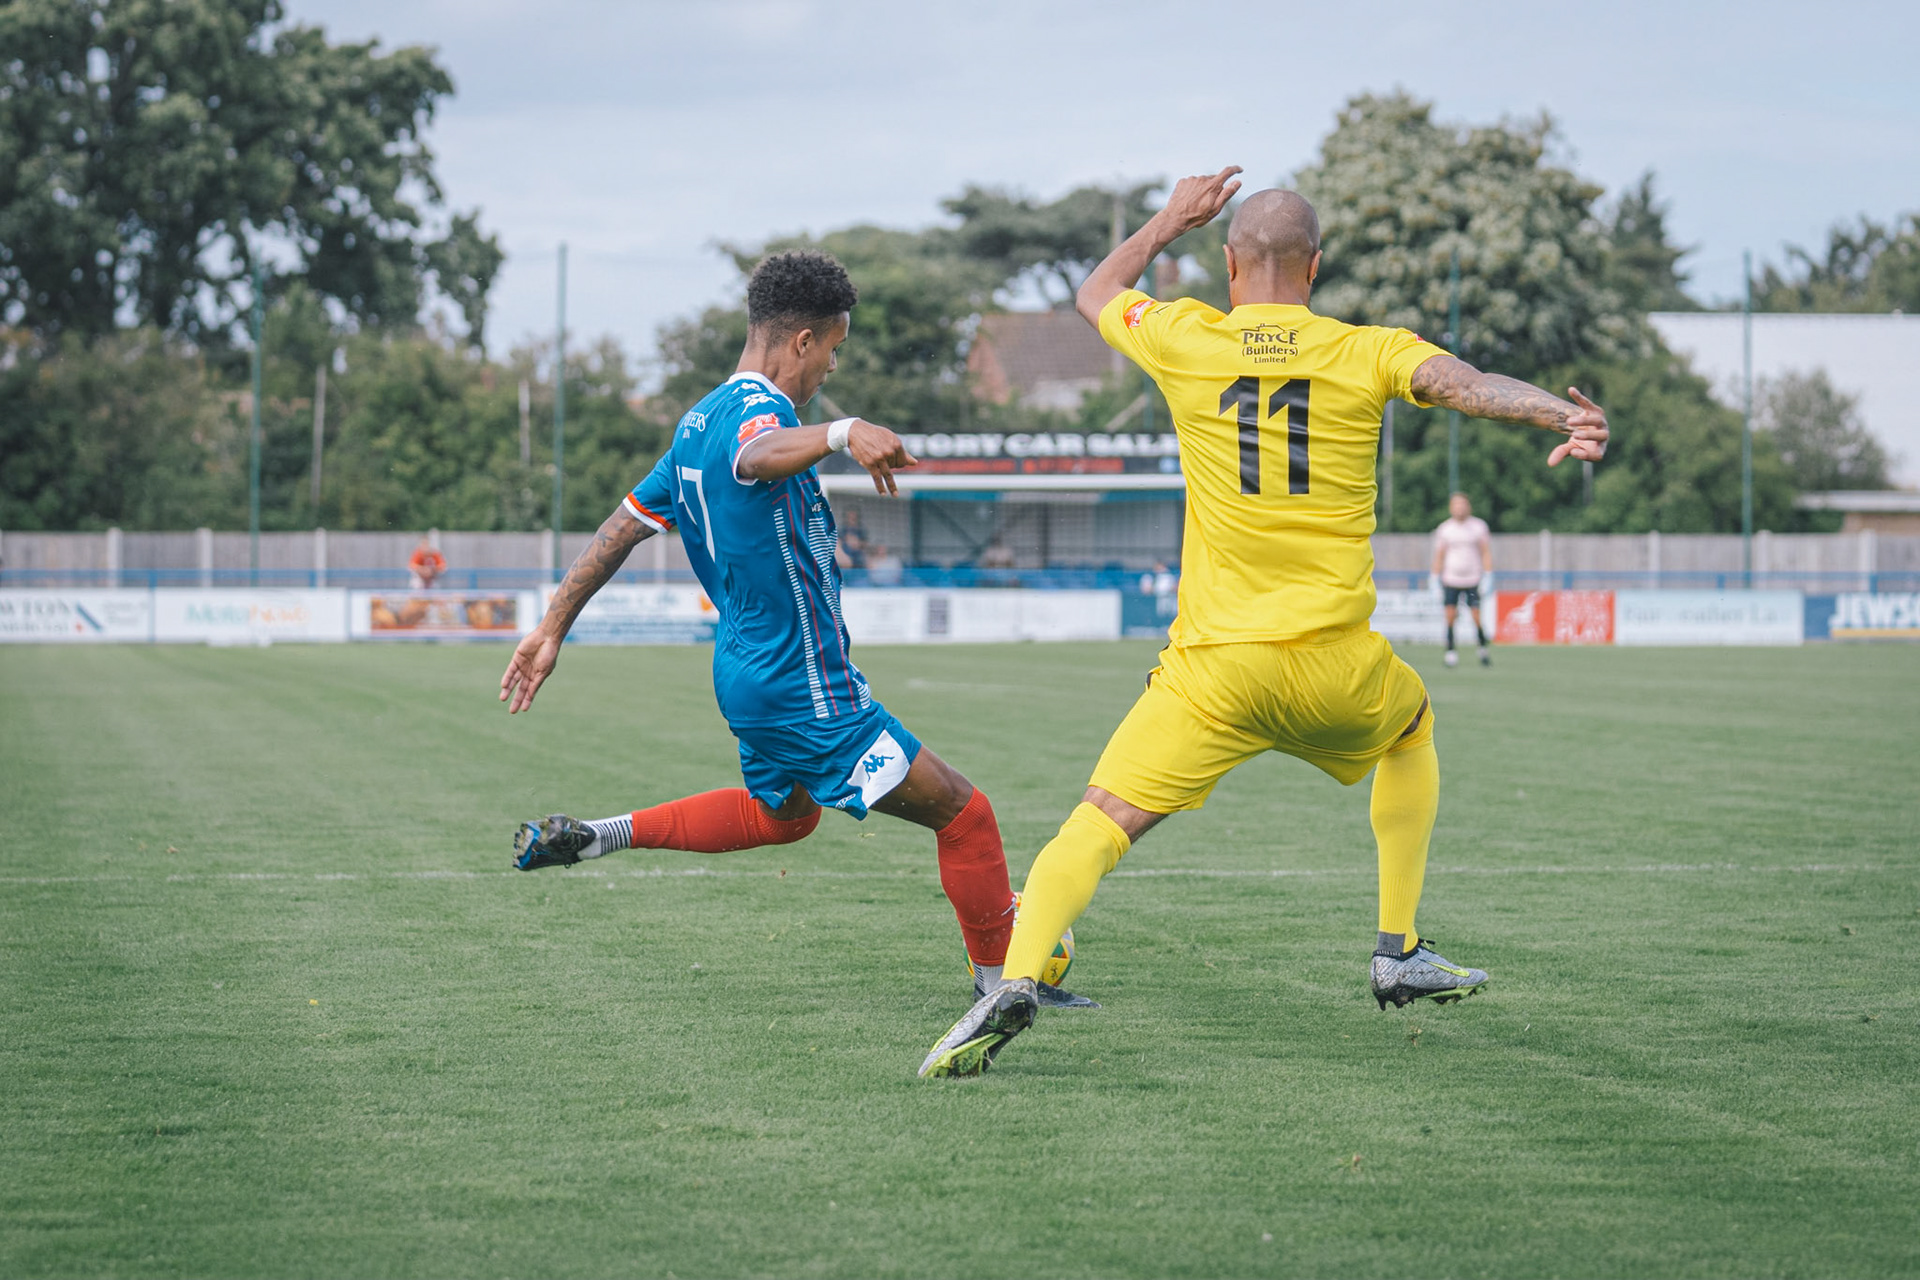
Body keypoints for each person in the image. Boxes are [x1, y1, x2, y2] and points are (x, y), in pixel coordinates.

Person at [920, 168, 1608, 1077]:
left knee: (1098, 822)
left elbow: (1095, 292)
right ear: (1315, 267)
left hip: (1215, 671)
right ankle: (1397, 949)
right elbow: (1465, 384)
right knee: (1411, 723)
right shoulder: (1367, 349)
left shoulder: (1185, 336)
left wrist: (1168, 220)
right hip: (1336, 667)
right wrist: (1562, 414)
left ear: (1230, 265)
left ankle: (1013, 980)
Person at [498, 250, 1091, 1010]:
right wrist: (843, 431)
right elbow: (758, 455)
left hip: (747, 674)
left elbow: (622, 527)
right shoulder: (758, 413)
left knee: (783, 819)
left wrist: (552, 626)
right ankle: (1002, 989)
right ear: (802, 340)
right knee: (966, 816)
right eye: (833, 349)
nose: (831, 368)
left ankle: (599, 835)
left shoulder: (695, 423)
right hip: (800, 682)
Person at [1432, 493, 1493, 667]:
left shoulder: (1479, 526)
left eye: (1463, 504)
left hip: (1473, 579)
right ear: (1451, 507)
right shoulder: (1445, 529)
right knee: (1450, 617)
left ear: (1468, 506)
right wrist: (1434, 578)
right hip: (1451, 579)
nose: (1459, 508)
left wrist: (1488, 575)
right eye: (1456, 505)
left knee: (1476, 616)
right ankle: (1450, 652)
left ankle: (1482, 649)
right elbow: (1439, 555)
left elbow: (1485, 552)